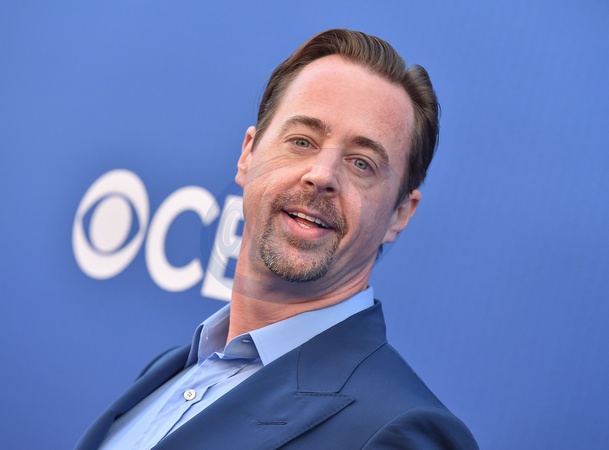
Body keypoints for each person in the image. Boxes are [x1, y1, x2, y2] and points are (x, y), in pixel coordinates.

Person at [76, 29, 478, 449]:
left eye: (362, 163)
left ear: (400, 214)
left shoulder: (403, 431)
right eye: (302, 141)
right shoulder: (170, 373)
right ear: (247, 155)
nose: (322, 175)